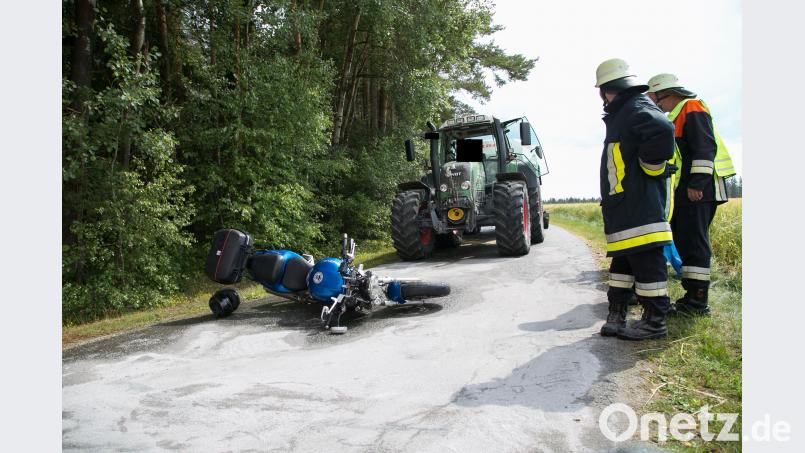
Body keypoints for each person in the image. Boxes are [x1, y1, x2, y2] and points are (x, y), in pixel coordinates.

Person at [595, 58, 676, 341]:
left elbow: (663, 130)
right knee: (622, 264)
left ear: (606, 90)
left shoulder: (635, 107)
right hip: (623, 207)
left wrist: (650, 165)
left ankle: (655, 322)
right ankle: (616, 315)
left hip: (639, 206)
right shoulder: (624, 111)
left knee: (648, 263)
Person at [646, 74, 736, 315]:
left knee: (695, 242)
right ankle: (692, 296)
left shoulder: (691, 108)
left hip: (701, 190)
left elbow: (704, 147)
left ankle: (697, 302)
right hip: (689, 190)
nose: (657, 104)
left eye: (655, 98)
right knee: (686, 240)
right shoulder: (677, 114)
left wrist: (697, 183)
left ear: (665, 94)